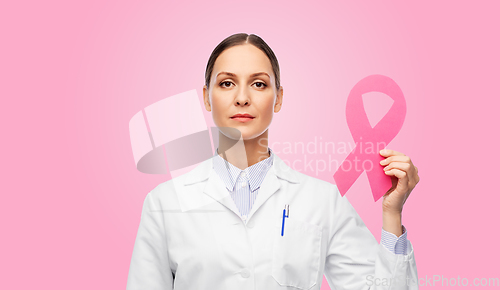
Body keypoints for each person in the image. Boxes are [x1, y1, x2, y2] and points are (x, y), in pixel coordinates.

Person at [127, 33, 420, 290]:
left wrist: (392, 214)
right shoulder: (164, 204)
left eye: (258, 84)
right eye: (227, 83)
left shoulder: (323, 202)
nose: (242, 98)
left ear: (278, 98)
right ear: (207, 98)